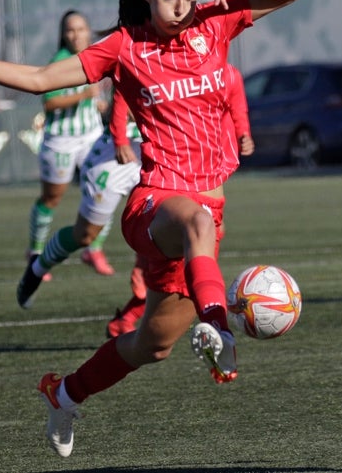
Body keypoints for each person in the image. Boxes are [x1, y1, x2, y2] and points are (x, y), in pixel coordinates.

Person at [0, 0, 301, 458]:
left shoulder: (215, 22)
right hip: (155, 204)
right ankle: (218, 326)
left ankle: (63, 394)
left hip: (204, 217)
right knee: (194, 220)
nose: (180, 6)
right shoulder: (125, 47)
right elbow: (39, 80)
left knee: (152, 344)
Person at [106, 63, 252, 338]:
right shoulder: (154, 62)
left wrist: (243, 131)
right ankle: (216, 325)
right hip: (170, 178)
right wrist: (120, 138)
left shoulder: (226, 73)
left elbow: (236, 103)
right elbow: (122, 89)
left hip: (212, 174)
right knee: (196, 231)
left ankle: (132, 312)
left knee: (156, 344)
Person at [24, 9, 110, 284]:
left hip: (92, 136)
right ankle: (35, 252)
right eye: (70, 30)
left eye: (81, 28)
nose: (76, 34)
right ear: (63, 34)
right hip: (61, 139)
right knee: (52, 198)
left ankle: (94, 249)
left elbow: (98, 94)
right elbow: (49, 102)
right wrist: (84, 95)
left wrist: (97, 103)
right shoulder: (59, 62)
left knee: (104, 190)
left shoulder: (96, 55)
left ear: (88, 31)